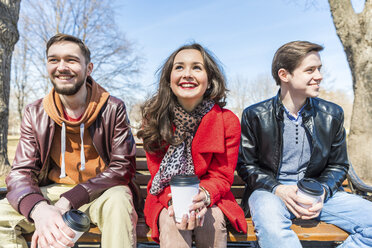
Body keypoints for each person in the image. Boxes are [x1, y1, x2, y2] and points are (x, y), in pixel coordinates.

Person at [0, 33, 138, 248]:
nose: (61, 67)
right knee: (1, 216)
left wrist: (70, 199)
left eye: (71, 60)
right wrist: (39, 209)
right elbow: (21, 172)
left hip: (101, 192)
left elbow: (123, 167)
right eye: (54, 60)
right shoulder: (34, 112)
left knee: (120, 200)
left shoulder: (112, 108)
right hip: (52, 192)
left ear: (89, 68)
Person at [237, 40, 372, 248]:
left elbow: (338, 165)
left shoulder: (332, 114)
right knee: (272, 228)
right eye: (310, 70)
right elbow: (247, 165)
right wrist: (277, 188)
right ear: (284, 75)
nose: (319, 76)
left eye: (319, 69)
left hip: (317, 194)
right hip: (269, 193)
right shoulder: (255, 115)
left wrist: (323, 191)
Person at [137, 43, 247, 247]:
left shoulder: (227, 121)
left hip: (212, 197)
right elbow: (158, 176)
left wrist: (202, 197)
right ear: (169, 80)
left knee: (210, 220)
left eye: (197, 67)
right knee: (173, 220)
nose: (187, 74)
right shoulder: (155, 120)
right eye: (179, 67)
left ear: (210, 79)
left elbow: (222, 176)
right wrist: (175, 202)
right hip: (166, 194)